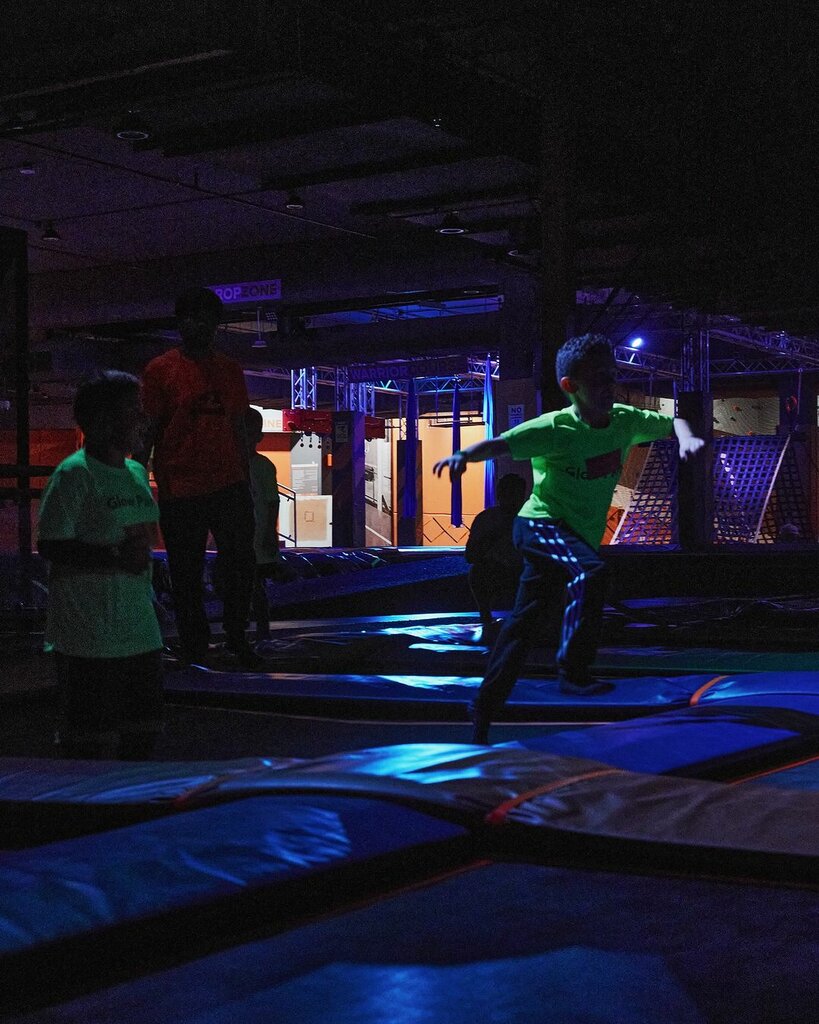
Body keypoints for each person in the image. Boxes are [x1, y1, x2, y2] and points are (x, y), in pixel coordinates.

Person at [434, 333, 705, 744]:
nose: (608, 387)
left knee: (520, 628)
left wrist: (685, 436)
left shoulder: (624, 421)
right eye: (598, 380)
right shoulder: (556, 428)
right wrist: (463, 457)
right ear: (570, 387)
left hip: (573, 537)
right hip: (540, 526)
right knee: (591, 574)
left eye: (612, 378)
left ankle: (483, 710)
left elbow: (674, 421)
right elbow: (503, 443)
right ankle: (573, 674)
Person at [37, 371, 164, 759]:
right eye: (132, 411)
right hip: (89, 638)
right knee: (90, 750)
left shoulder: (137, 473)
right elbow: (51, 545)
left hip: (140, 633)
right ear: (102, 420)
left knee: (142, 740)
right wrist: (112, 556)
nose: (141, 419)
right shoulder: (74, 475)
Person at [137, 287, 260, 668]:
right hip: (182, 486)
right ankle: (197, 642)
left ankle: (237, 637)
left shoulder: (229, 370)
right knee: (186, 570)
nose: (201, 326)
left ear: (215, 324)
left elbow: (238, 426)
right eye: (193, 319)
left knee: (239, 564)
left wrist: (244, 476)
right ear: (181, 324)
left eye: (207, 319)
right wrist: (138, 476)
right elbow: (150, 428)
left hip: (226, 483)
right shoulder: (161, 371)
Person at [465, 472, 527, 644]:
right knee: (477, 572)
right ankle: (486, 617)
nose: (512, 500)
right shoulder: (487, 519)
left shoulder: (530, 520)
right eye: (509, 495)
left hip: (523, 572)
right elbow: (471, 555)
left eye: (515, 495)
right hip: (495, 571)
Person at [244, 405, 282, 641]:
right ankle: (256, 629)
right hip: (247, 537)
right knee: (251, 584)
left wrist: (269, 533)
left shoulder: (263, 466)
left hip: (255, 538)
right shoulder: (261, 465)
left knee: (255, 585)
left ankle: (260, 629)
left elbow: (272, 501)